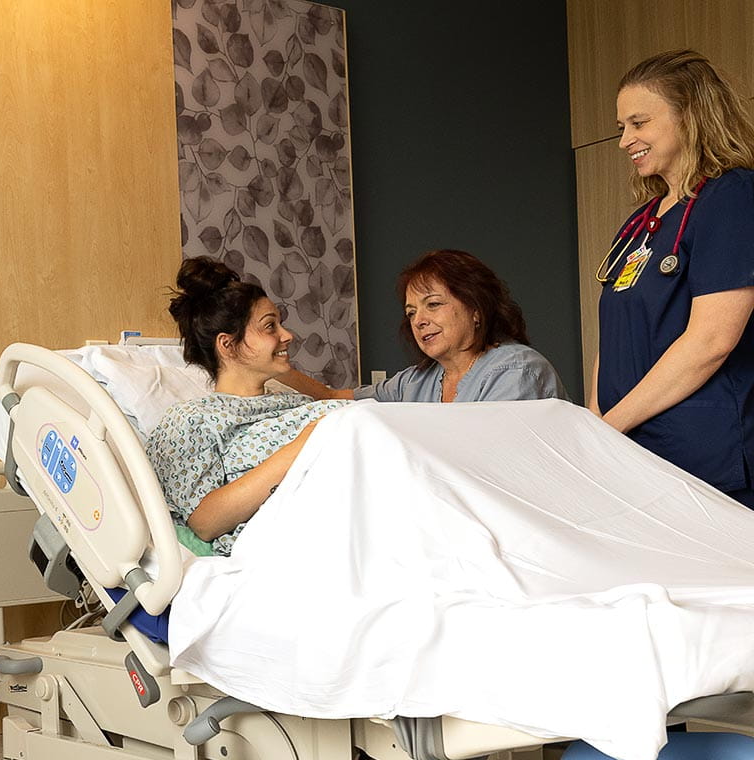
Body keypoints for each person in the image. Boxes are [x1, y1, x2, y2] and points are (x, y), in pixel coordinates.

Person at [594, 49, 754, 508]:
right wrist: (596, 419)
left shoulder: (731, 197)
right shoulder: (641, 221)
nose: (625, 140)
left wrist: (611, 426)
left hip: (702, 454)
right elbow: (615, 333)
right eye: (621, 127)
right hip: (634, 448)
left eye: (639, 123)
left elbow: (712, 340)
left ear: (691, 117)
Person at [145, 258, 346, 556]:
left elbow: (332, 399)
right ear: (227, 345)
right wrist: (306, 444)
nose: (287, 335)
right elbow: (205, 522)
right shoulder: (191, 420)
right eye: (270, 327)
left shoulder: (293, 403)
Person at [279, 249, 566, 403]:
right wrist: (276, 366)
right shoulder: (416, 382)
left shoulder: (517, 371)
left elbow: (487, 467)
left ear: (476, 309)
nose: (419, 320)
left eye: (433, 304)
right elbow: (333, 398)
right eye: (411, 312)